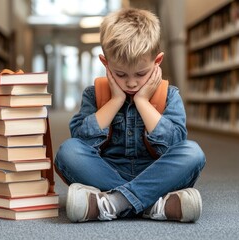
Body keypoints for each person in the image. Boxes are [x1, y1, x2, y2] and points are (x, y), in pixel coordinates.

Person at [54, 8, 206, 223]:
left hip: (156, 173)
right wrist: (115, 100)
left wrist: (142, 102)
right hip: (106, 172)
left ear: (157, 61)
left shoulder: (169, 95)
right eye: (121, 74)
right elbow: (81, 140)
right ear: (105, 63)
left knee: (193, 153)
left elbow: (174, 145)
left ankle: (112, 202)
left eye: (141, 74)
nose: (132, 83)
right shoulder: (93, 94)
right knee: (67, 152)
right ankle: (152, 204)